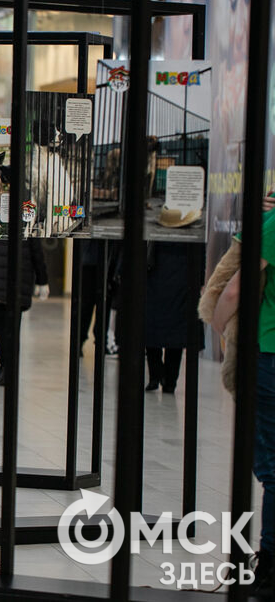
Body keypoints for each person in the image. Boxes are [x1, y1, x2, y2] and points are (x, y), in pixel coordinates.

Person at [213, 195, 275, 595]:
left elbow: (235, 289)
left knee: (271, 465)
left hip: (269, 355)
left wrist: (219, 330)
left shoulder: (271, 225)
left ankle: (268, 565)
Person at [0, 238, 49, 386]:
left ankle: (5, 364)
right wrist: (42, 279)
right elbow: (36, 250)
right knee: (12, 328)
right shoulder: (28, 217)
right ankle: (8, 366)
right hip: (18, 276)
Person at [144, 241, 203, 393]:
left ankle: (158, 376)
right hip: (179, 271)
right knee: (174, 330)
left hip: (159, 269)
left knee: (153, 326)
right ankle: (167, 378)